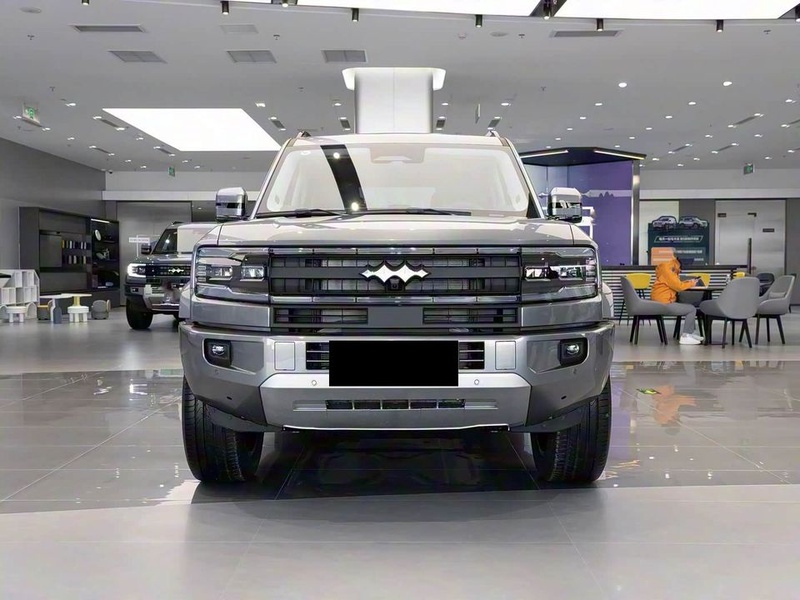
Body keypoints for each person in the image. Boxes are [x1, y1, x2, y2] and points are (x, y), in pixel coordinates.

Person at [651, 257, 704, 345]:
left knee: (689, 307)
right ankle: (686, 336)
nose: (682, 270)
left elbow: (675, 283)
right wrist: (691, 283)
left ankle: (690, 333)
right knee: (691, 309)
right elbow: (679, 287)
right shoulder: (669, 270)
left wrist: (688, 282)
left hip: (661, 302)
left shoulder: (668, 268)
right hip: (664, 303)